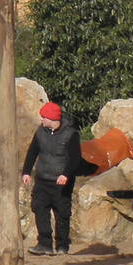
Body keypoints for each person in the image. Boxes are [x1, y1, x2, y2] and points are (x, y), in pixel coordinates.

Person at [21, 101, 84, 255]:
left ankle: (62, 245)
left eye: (43, 117)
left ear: (52, 118)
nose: (41, 120)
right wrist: (26, 172)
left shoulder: (71, 134)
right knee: (39, 209)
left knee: (62, 213)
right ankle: (44, 244)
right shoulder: (40, 131)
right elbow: (32, 151)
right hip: (42, 178)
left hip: (61, 181)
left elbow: (76, 159)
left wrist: (65, 174)